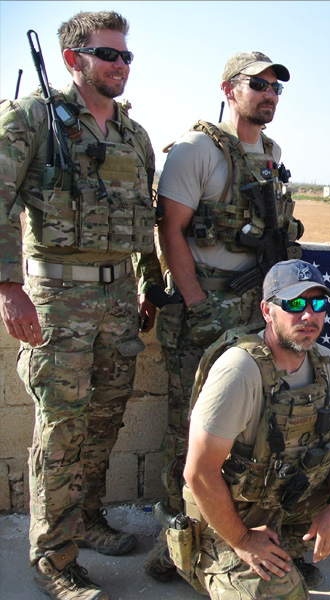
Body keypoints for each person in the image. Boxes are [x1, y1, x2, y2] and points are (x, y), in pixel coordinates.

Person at [0, 11, 161, 600]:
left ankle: (88, 522)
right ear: (74, 59)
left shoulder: (133, 134)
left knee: (103, 423)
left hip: (119, 299)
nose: (120, 65)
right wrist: (9, 288)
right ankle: (54, 559)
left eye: (126, 56)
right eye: (108, 54)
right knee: (61, 430)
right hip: (56, 303)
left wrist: (150, 283)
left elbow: (144, 220)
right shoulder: (30, 119)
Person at [161, 259, 330, 598]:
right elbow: (198, 473)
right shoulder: (240, 371)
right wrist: (243, 540)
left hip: (282, 499)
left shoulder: (329, 365)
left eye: (318, 304)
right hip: (228, 514)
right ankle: (199, 557)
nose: (308, 315)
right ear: (267, 311)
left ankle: (281, 548)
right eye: (295, 303)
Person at [153, 50, 304, 511]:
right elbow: (169, 230)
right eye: (257, 84)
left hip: (254, 307)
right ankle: (179, 525)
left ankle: (228, 518)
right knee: (191, 419)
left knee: (246, 419)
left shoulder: (272, 155)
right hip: (204, 305)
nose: (269, 94)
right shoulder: (196, 150)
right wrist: (197, 304)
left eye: (276, 87)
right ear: (228, 90)